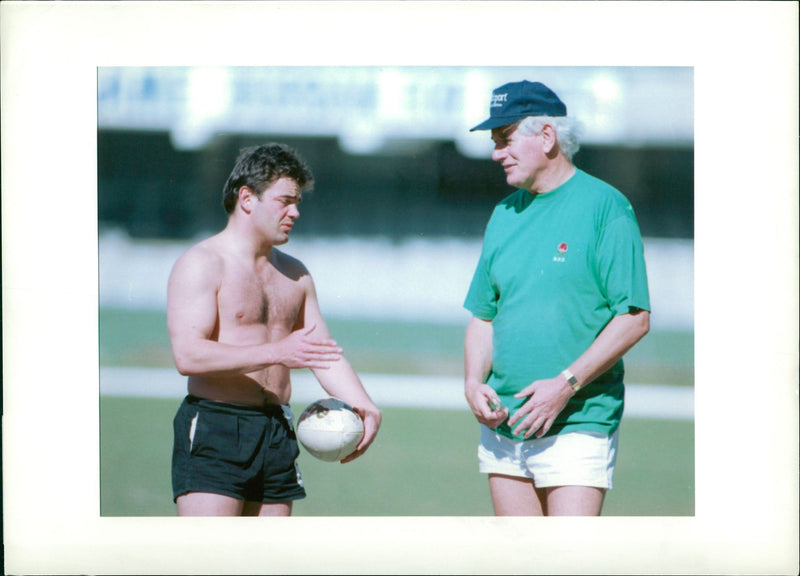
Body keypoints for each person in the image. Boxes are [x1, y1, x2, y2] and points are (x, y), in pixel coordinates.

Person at [463, 80, 651, 516]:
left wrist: (564, 386)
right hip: (505, 426)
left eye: (505, 140)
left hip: (577, 422)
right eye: (494, 142)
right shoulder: (503, 213)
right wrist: (473, 382)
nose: (496, 154)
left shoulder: (606, 206)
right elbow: (483, 316)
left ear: (546, 136)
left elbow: (635, 317)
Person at [167, 143, 382, 517]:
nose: (295, 212)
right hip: (216, 426)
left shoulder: (296, 274)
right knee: (207, 562)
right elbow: (188, 355)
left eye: (298, 202)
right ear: (247, 198)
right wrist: (277, 352)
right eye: (285, 201)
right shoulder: (201, 263)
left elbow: (321, 352)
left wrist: (364, 404)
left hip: (277, 430)